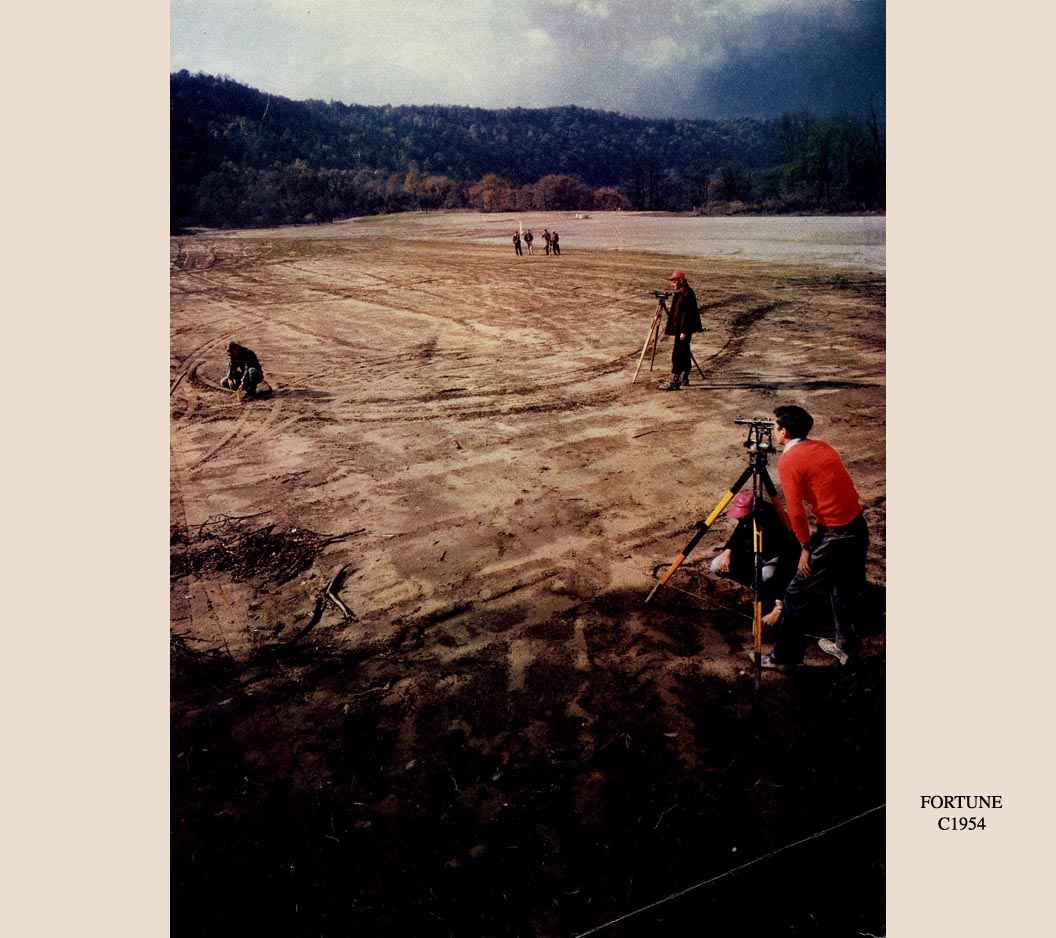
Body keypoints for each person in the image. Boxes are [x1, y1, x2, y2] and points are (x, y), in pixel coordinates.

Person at [757, 405, 869, 669]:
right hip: (857, 527)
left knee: (796, 594)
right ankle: (847, 649)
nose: (773, 430)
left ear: (784, 431)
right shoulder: (823, 447)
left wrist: (805, 548)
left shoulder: (789, 460)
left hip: (834, 535)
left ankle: (783, 659)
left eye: (775, 426)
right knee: (843, 590)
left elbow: (796, 512)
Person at [709, 491, 800, 622]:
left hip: (777, 561)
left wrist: (779, 606)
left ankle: (771, 597)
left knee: (767, 575)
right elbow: (739, 533)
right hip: (755, 557)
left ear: (752, 513)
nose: (739, 519)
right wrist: (727, 552)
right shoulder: (748, 516)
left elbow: (786, 563)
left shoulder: (777, 524)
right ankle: (757, 586)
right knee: (716, 565)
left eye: (742, 517)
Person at [658, 271, 702, 391]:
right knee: (684, 352)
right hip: (682, 329)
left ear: (681, 281)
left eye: (673, 281)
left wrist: (684, 331)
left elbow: (688, 315)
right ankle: (684, 377)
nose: (672, 284)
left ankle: (675, 381)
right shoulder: (682, 292)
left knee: (678, 354)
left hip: (684, 330)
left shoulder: (687, 294)